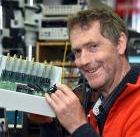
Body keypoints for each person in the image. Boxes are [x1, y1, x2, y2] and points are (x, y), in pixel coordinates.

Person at [45, 8, 140, 137]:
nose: (83, 61)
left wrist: (78, 126)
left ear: (120, 44)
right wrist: (46, 124)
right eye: (78, 52)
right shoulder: (100, 106)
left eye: (93, 47)